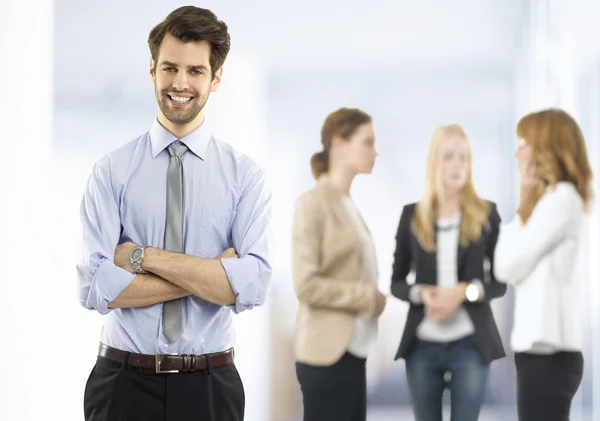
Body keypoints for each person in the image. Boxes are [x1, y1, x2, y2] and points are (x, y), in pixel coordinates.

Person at [76, 6, 271, 421]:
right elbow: (95, 288)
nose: (180, 83)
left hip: (211, 385)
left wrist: (141, 257)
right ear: (152, 70)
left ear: (216, 78)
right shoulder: (111, 172)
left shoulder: (245, 178)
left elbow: (250, 285)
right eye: (170, 68)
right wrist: (211, 276)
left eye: (196, 71)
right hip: (122, 384)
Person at [390, 124, 507, 421]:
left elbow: (500, 282)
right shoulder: (412, 216)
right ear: (435, 162)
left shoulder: (486, 214)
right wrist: (421, 294)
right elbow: (397, 282)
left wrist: (466, 291)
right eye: (449, 156)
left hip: (470, 342)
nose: (457, 165)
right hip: (422, 345)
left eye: (463, 158)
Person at [494, 108, 593, 421]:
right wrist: (527, 201)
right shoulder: (549, 202)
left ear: (544, 148)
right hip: (542, 353)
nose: (517, 152)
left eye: (523, 142)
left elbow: (506, 267)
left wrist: (524, 203)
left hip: (548, 354)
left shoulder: (561, 200)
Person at [291, 108, 387, 421]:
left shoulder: (348, 204)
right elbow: (306, 285)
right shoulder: (312, 203)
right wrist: (366, 297)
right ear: (339, 144)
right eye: (368, 142)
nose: (375, 151)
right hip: (326, 354)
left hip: (352, 352)